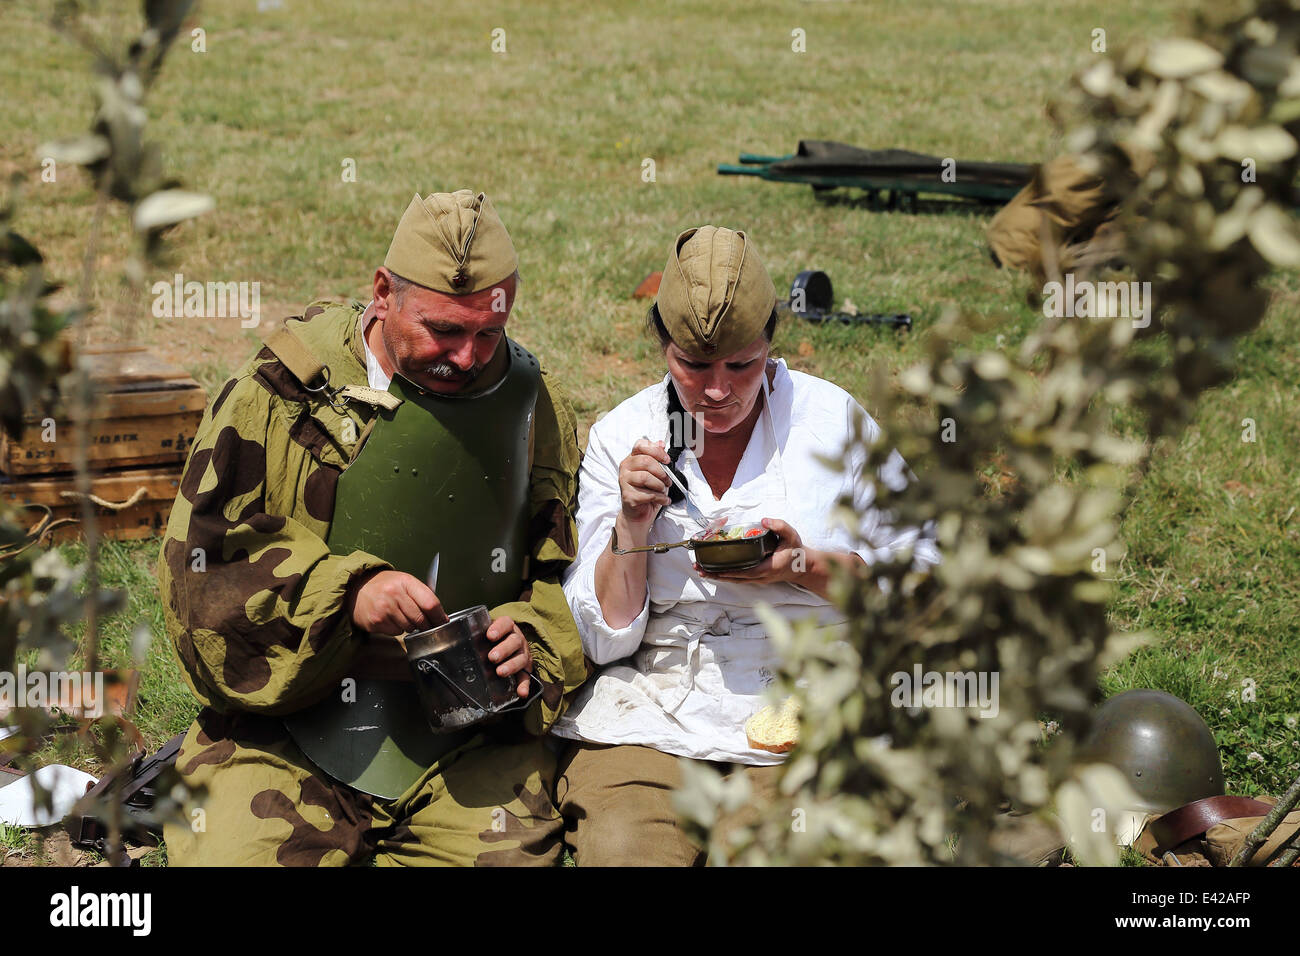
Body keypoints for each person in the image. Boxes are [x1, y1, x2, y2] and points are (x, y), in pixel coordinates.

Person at [158, 189, 587, 866]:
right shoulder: (284, 391)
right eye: (444, 330)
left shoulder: (531, 404)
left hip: (468, 743)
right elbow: (201, 576)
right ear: (383, 292)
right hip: (288, 727)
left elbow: (573, 579)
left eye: (489, 332)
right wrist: (347, 595)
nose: (470, 356)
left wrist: (530, 642)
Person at [552, 225, 938, 865]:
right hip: (659, 703)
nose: (718, 391)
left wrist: (805, 566)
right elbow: (602, 638)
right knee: (623, 848)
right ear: (663, 347)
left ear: (771, 344)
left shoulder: (831, 423)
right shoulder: (628, 434)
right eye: (693, 366)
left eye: (743, 365)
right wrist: (632, 524)